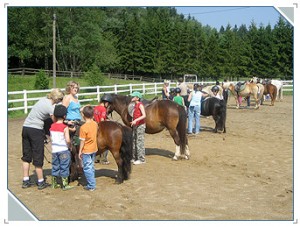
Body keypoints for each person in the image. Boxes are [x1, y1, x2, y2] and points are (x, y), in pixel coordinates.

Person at [21, 88, 64, 190]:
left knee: (26, 156)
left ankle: (25, 180)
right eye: (60, 99)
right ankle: (40, 181)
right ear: (57, 98)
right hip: (36, 130)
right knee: (38, 155)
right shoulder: (50, 107)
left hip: (26, 128)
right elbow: (55, 121)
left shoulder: (43, 100)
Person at [49, 104, 73, 190]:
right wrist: (69, 146)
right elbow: (67, 139)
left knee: (55, 166)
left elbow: (51, 137)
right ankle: (65, 184)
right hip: (63, 149)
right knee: (64, 166)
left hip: (54, 150)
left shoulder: (52, 126)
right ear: (65, 116)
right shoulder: (65, 127)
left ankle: (54, 183)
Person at [78, 106, 98, 191]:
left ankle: (91, 185)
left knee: (87, 167)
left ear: (83, 115)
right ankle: (92, 181)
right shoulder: (95, 124)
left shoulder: (83, 127)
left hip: (86, 150)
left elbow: (82, 141)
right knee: (91, 166)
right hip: (94, 148)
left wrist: (80, 151)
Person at [93, 94, 112, 165]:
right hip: (101, 128)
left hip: (95, 127)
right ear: (105, 102)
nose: (108, 105)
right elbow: (102, 120)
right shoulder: (103, 109)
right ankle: (103, 159)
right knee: (106, 143)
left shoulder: (96, 107)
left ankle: (96, 158)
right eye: (108, 103)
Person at [130, 91, 146, 165]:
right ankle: (135, 157)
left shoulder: (140, 105)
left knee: (140, 141)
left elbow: (144, 115)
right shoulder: (134, 105)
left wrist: (136, 120)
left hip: (140, 125)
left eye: (133, 96)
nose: (132, 97)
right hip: (135, 125)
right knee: (134, 140)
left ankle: (141, 159)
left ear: (137, 98)